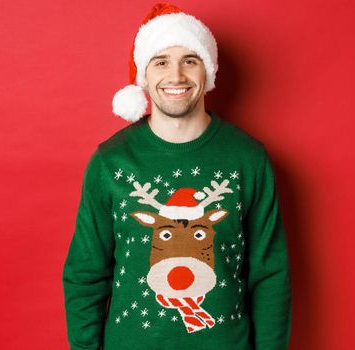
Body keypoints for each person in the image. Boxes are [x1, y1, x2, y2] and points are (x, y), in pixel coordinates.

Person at [61, 3, 292, 349]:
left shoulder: (248, 159)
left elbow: (270, 275)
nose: (176, 76)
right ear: (144, 75)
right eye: (161, 61)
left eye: (190, 60)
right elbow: (85, 275)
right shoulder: (111, 163)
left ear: (208, 71)